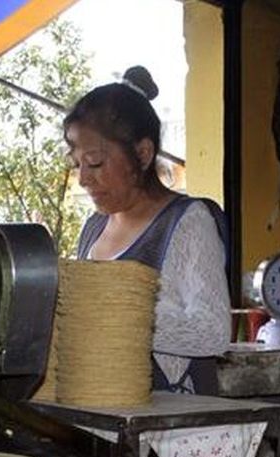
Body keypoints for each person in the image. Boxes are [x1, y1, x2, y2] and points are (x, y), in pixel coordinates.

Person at [63, 66, 231, 395]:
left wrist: (121, 319)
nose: (83, 179)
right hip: (103, 404)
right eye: (76, 163)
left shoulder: (187, 222)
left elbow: (213, 332)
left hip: (167, 416)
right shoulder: (94, 228)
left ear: (142, 153)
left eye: (95, 163)